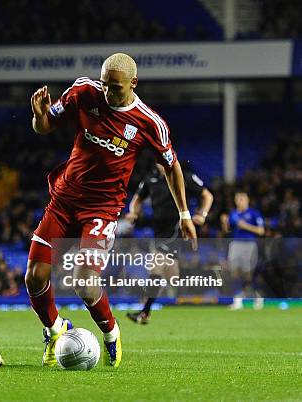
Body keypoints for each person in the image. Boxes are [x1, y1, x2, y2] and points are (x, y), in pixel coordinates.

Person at [27, 53, 197, 368]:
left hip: (102, 209)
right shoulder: (84, 91)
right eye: (105, 84)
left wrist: (185, 213)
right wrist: (38, 117)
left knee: (84, 282)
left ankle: (111, 332)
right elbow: (46, 126)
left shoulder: (149, 123)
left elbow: (171, 167)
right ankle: (54, 330)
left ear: (133, 83)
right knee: (35, 277)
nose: (108, 92)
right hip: (63, 200)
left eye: (116, 87)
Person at [125, 163, 213, 324]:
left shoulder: (182, 176)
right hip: (158, 232)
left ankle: (145, 312)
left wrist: (202, 215)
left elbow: (207, 195)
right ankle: (189, 301)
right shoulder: (151, 179)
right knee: (171, 275)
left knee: (155, 266)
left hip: (177, 229)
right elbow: (137, 199)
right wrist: (133, 212)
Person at [220, 191, 265, 310]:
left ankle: (256, 297)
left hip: (249, 244)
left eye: (242, 199)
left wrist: (245, 225)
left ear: (248, 200)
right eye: (238, 199)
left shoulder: (254, 213)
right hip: (235, 244)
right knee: (233, 272)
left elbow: (261, 231)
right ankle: (238, 300)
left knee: (247, 274)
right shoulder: (233, 213)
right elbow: (226, 231)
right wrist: (224, 223)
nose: (240, 201)